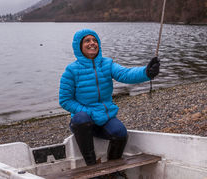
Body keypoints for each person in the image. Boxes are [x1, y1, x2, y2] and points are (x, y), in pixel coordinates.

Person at [59, 29, 160, 167]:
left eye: (95, 40)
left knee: (120, 133)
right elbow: (65, 100)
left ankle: (113, 168)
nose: (92, 43)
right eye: (87, 41)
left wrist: (146, 72)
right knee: (81, 118)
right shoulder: (71, 71)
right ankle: (92, 167)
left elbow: (126, 74)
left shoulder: (107, 64)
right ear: (79, 46)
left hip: (104, 117)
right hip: (84, 122)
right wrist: (89, 112)